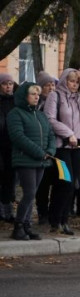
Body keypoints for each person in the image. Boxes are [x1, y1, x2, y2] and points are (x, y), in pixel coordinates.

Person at [44, 68, 80, 234]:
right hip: (62, 146)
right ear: (64, 81)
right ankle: (55, 219)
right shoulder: (56, 96)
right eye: (72, 81)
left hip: (77, 147)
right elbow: (49, 119)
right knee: (64, 183)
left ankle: (64, 220)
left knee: (72, 184)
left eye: (77, 82)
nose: (74, 85)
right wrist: (68, 134)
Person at [6, 82, 55, 240]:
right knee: (29, 193)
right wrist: (39, 152)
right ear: (24, 96)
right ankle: (18, 226)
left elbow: (51, 135)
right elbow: (18, 137)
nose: (36, 97)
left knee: (32, 194)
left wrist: (49, 151)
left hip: (41, 160)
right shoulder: (15, 113)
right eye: (33, 94)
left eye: (37, 94)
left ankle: (26, 225)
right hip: (25, 160)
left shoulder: (40, 115)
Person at [34, 72, 58, 223]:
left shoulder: (57, 102)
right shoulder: (37, 104)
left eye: (52, 85)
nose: (50, 88)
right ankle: (42, 212)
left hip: (55, 146)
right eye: (47, 85)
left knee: (56, 181)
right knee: (42, 183)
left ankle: (53, 211)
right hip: (39, 147)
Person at [0, 73, 16, 223]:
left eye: (10, 83)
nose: (8, 86)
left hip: (12, 146)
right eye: (5, 84)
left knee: (10, 178)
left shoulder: (16, 102)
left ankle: (7, 209)